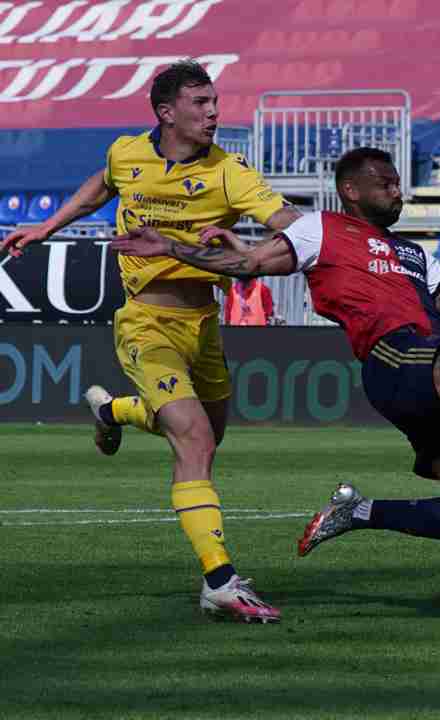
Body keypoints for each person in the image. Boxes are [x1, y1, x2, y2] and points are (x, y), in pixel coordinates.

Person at [109, 147, 440, 583]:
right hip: (393, 358)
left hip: (430, 369)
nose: (398, 190)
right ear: (353, 190)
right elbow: (247, 262)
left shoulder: (416, 252)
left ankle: (359, 512)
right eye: (386, 183)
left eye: (397, 183)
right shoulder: (319, 229)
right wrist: (172, 248)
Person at [1, 60, 300, 623]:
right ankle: (220, 579)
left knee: (210, 433)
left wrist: (289, 241)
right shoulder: (126, 152)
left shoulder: (229, 172)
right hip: (145, 323)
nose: (214, 112)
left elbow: (286, 218)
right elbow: (102, 185)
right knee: (195, 441)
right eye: (200, 103)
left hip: (204, 326)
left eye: (215, 102)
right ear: (167, 113)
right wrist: (48, 225)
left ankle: (112, 410)